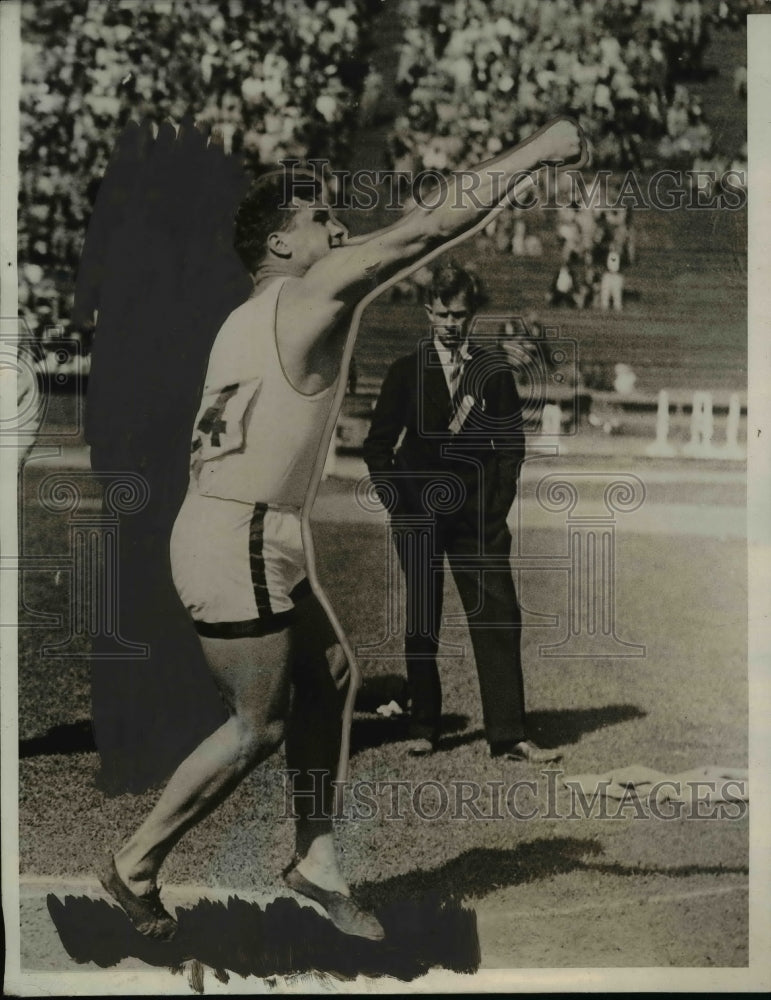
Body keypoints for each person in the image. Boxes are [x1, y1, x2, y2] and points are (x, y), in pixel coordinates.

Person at [97, 116, 587, 942]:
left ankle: (314, 859)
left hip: (250, 530)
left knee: (327, 672)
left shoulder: (243, 316)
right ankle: (135, 862)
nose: (339, 225)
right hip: (240, 536)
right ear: (281, 246)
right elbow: (430, 227)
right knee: (261, 723)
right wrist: (538, 150)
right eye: (319, 217)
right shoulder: (304, 294)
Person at [362, 262, 564, 763]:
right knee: (423, 617)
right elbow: (378, 447)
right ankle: (425, 726)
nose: (452, 324)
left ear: (473, 315)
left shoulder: (492, 371)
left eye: (461, 315)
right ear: (428, 310)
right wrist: (400, 503)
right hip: (418, 516)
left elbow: (509, 448)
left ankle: (509, 734)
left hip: (477, 519)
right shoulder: (405, 371)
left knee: (499, 617)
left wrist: (493, 512)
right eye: (443, 314)